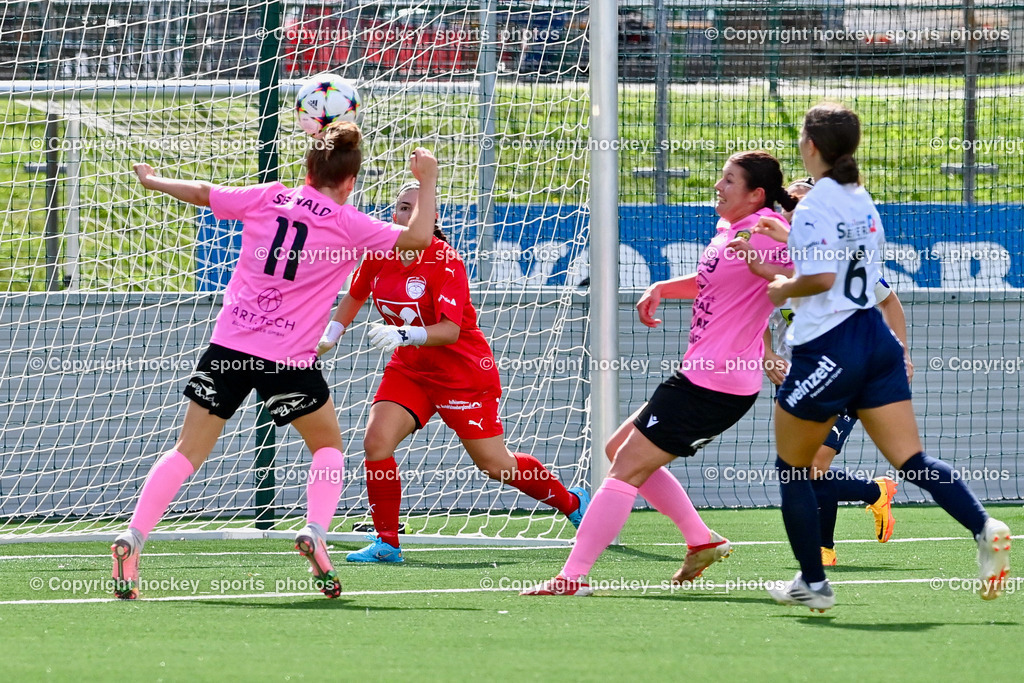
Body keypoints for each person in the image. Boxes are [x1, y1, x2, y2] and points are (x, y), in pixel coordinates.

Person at [111, 122, 439, 599]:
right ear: (350, 182)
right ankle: (315, 532)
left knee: (187, 451)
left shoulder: (268, 197)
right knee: (328, 448)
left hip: (228, 348)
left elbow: (206, 192)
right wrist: (426, 178)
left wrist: (154, 180)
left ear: (307, 167)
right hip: (288, 360)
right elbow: (418, 239)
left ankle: (133, 536)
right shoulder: (350, 224)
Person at [762, 103, 1010, 611]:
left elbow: (821, 278)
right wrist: (790, 238)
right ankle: (984, 526)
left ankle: (814, 582)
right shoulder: (859, 198)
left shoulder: (813, 206)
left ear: (810, 146)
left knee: (794, 469)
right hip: (876, 339)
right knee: (912, 460)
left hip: (829, 344)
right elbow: (845, 261)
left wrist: (781, 286)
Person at [522, 151, 796, 596]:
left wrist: (786, 260)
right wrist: (663, 288)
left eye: (729, 180)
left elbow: (813, 275)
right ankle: (701, 540)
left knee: (625, 469)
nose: (718, 186)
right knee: (618, 450)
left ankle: (571, 577)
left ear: (755, 194)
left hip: (717, 383)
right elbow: (717, 283)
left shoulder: (765, 234)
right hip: (702, 376)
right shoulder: (733, 230)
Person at [317, 180, 590, 563]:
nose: (405, 214)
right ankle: (387, 543)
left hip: (461, 374)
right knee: (375, 443)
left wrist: (402, 333)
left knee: (496, 466)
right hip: (410, 371)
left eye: (414, 208)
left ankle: (573, 501)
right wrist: (331, 334)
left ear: (431, 217)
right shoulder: (380, 250)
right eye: (400, 207)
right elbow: (355, 294)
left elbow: (450, 330)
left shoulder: (446, 260)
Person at [761, 178, 913, 566]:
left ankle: (823, 548)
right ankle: (872, 493)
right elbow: (755, 315)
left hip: (845, 371)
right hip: (798, 378)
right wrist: (766, 355)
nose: (795, 211)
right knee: (804, 467)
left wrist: (902, 352)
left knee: (814, 464)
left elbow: (889, 301)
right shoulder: (775, 259)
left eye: (803, 204)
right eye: (790, 204)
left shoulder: (841, 259)